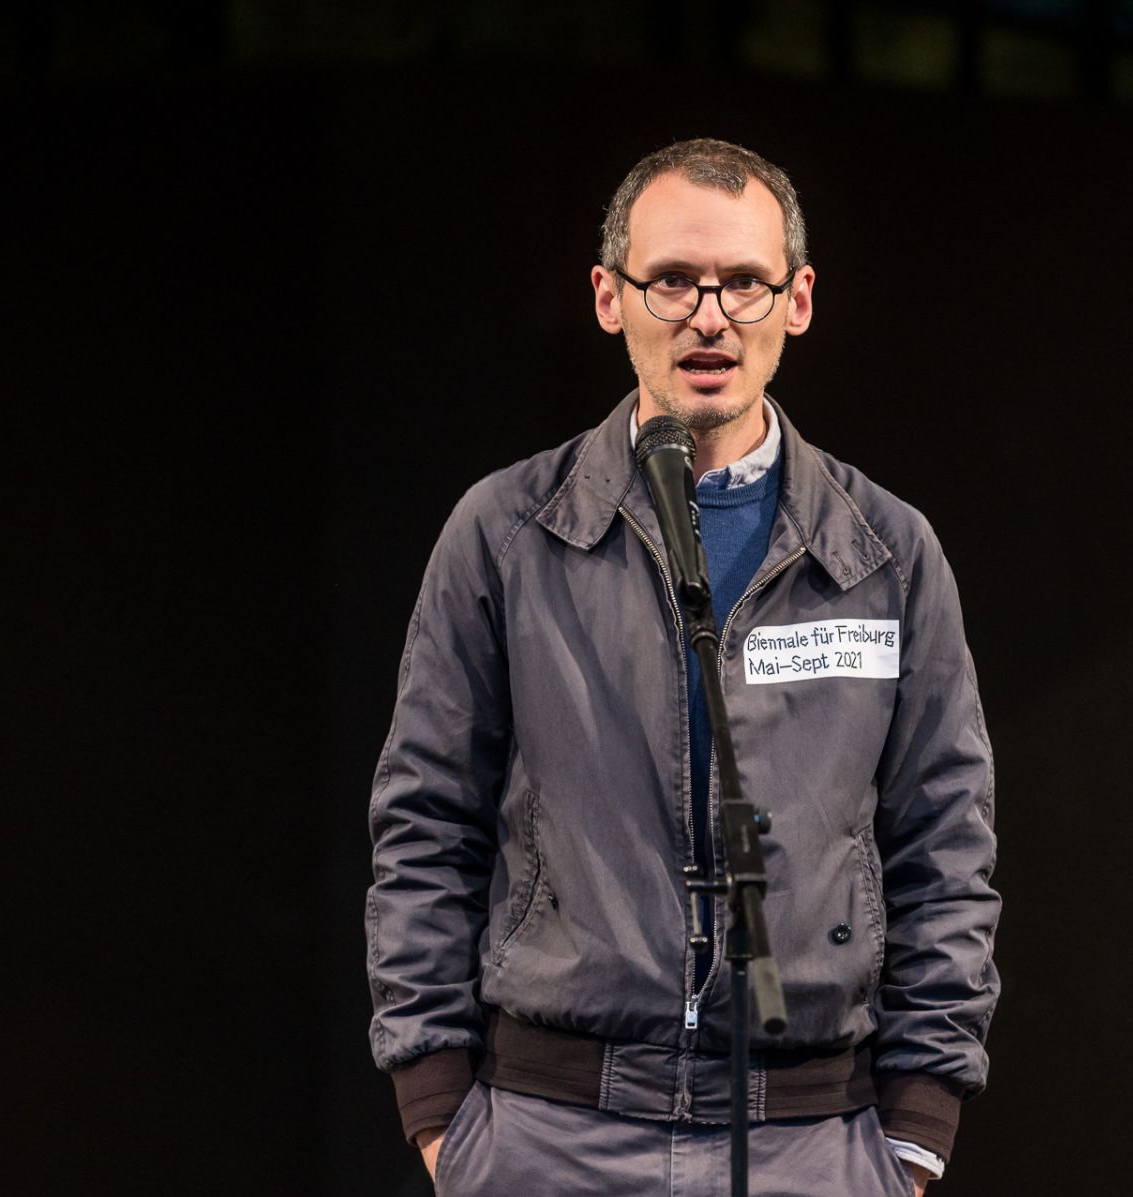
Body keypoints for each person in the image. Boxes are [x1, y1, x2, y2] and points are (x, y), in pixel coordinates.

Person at [366, 138, 999, 1196]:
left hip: (815, 1140)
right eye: (673, 280)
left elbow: (948, 839)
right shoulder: (510, 533)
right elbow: (425, 817)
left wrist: (918, 1129)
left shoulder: (885, 551)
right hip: (550, 1134)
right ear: (611, 297)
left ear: (796, 302)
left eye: (744, 282)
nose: (711, 315)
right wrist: (438, 1106)